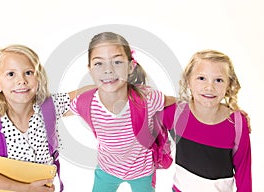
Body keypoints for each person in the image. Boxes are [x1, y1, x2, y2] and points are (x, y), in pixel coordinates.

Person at [0, 44, 93, 192]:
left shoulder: (49, 108)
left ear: (38, 79)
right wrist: (27, 188)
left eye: (29, 72)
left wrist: (109, 84)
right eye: (11, 74)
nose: (21, 80)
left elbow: (86, 94)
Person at [68, 32, 175, 192]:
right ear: (90, 69)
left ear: (131, 67)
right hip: (106, 170)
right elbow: (55, 109)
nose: (108, 70)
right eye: (99, 64)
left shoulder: (148, 97)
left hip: (142, 171)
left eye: (117, 62)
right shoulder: (85, 103)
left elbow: (173, 101)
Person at [162, 49, 252, 192]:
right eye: (201, 78)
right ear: (188, 81)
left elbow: (244, 172)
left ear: (229, 85)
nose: (209, 87)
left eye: (218, 80)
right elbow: (144, 120)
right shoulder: (177, 113)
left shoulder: (237, 124)